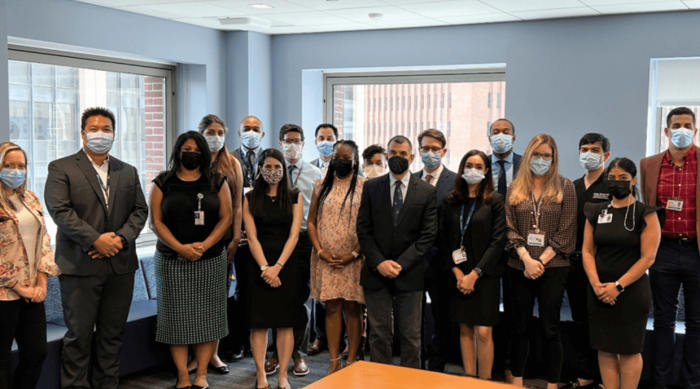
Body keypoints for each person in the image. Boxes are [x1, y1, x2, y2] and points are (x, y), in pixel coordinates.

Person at [44, 107, 148, 389]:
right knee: (78, 337)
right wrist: (96, 240)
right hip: (79, 266)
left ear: (114, 134)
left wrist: (119, 239)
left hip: (120, 267)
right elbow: (60, 210)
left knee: (112, 336)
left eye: (106, 129)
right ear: (82, 133)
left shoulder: (127, 170)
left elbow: (140, 211)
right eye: (94, 129)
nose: (99, 134)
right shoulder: (61, 167)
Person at [150, 131, 233, 389]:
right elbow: (155, 222)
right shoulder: (162, 181)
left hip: (209, 260)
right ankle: (183, 376)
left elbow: (226, 217)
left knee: (208, 319)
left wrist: (204, 246)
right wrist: (180, 248)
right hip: (172, 260)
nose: (192, 153)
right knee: (176, 320)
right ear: (177, 151)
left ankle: (202, 376)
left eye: (197, 150)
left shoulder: (217, 181)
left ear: (204, 154)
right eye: (186, 148)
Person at [357, 135, 438, 369]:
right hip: (376, 272)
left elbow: (427, 236)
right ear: (386, 156)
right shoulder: (371, 187)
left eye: (403, 154)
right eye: (393, 153)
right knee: (379, 336)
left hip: (410, 274)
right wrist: (380, 263)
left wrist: (400, 264)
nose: (398, 158)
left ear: (412, 157)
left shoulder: (425, 191)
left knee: (411, 338)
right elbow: (363, 230)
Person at [582, 158, 664, 389]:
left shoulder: (646, 213)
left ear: (634, 180)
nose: (616, 182)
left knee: (629, 350)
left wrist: (617, 286)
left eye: (622, 178)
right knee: (605, 347)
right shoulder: (595, 210)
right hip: (598, 290)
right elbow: (587, 252)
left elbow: (648, 257)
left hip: (631, 292)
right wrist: (597, 284)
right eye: (611, 178)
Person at [504, 134, 576, 389]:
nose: (541, 159)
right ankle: (517, 382)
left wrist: (540, 262)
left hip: (553, 268)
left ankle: (552, 384)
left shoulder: (565, 186)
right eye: (536, 154)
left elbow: (566, 231)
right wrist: (526, 259)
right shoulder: (515, 187)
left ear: (554, 158)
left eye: (547, 155)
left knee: (550, 327)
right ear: (527, 156)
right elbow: (510, 228)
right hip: (519, 266)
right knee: (520, 327)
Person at [640, 106, 700, 389]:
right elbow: (646, 209)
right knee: (663, 321)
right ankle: (661, 383)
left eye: (688, 125)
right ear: (666, 131)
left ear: (696, 130)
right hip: (662, 250)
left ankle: (692, 383)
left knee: (696, 323)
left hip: (696, 252)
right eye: (676, 125)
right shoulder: (649, 165)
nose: (682, 130)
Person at [185, 114, 243, 375]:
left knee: (216, 301)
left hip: (221, 241)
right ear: (200, 133)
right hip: (191, 243)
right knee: (193, 302)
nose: (216, 136)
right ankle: (196, 357)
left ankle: (214, 355)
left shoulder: (232, 164)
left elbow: (238, 205)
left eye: (220, 132)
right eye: (210, 131)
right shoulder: (188, 164)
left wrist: (233, 239)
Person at [440, 150, 506, 379]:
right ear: (462, 168)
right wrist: (458, 273)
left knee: (484, 332)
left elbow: (498, 242)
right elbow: (443, 240)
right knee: (464, 328)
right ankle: (469, 379)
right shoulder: (451, 200)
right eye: (469, 165)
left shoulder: (495, 201)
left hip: (485, 277)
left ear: (487, 171)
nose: (473, 170)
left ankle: (485, 381)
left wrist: (474, 274)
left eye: (479, 166)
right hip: (457, 275)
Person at [0, 142, 60, 389]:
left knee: (36, 354)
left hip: (33, 292)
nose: (16, 171)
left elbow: (44, 240)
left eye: (21, 166)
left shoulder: (31, 198)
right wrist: (17, 286)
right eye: (8, 166)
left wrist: (41, 281)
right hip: (4, 293)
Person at [263, 125, 322, 378]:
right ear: (280, 142)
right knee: (276, 299)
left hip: (302, 242)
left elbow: (317, 214)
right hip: (274, 242)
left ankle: (297, 354)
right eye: (287, 141)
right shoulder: (268, 173)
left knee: (299, 300)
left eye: (296, 141)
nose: (292, 145)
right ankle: (276, 354)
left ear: (304, 143)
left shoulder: (315, 173)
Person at [243, 149, 303, 389]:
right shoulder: (249, 197)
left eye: (277, 167)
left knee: (285, 323)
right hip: (258, 265)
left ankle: (283, 377)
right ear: (259, 169)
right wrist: (265, 268)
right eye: (267, 167)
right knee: (258, 323)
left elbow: (294, 235)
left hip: (286, 265)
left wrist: (277, 267)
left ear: (283, 170)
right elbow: (252, 237)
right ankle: (260, 375)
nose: (273, 171)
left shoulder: (295, 195)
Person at [308, 140, 366, 375]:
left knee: (353, 308)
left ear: (355, 159)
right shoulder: (320, 185)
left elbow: (369, 225)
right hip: (326, 258)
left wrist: (353, 254)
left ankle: (351, 359)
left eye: (346, 157)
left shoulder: (365, 186)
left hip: (354, 259)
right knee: (332, 307)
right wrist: (321, 251)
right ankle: (334, 361)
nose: (341, 160)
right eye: (337, 156)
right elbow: (311, 221)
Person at [564, 133, 612, 389]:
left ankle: (606, 379)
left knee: (602, 322)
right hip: (575, 265)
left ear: (606, 155)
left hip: (604, 267)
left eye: (595, 149)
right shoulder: (571, 187)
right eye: (584, 148)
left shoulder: (614, 186)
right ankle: (585, 375)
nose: (589, 153)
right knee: (580, 321)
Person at [413, 129, 458, 372]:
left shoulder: (455, 181)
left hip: (443, 262)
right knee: (414, 320)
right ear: (419, 151)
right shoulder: (409, 179)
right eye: (425, 149)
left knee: (442, 319)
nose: (430, 153)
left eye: (435, 149)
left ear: (444, 151)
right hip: (414, 262)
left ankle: (437, 368)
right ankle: (416, 364)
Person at [230, 115, 266, 361]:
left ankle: (263, 344)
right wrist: (235, 231)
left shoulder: (273, 160)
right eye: (246, 129)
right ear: (238, 132)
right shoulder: (228, 161)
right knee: (241, 292)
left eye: (255, 129)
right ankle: (240, 342)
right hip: (238, 238)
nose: (250, 132)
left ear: (263, 134)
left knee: (262, 291)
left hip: (264, 239)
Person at [488, 118, 521, 382]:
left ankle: (511, 365)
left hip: (517, 250)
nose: (501, 136)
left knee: (514, 311)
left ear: (514, 137)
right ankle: (484, 364)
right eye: (496, 132)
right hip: (485, 249)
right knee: (484, 310)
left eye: (506, 132)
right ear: (489, 137)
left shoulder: (527, 166)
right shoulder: (476, 165)